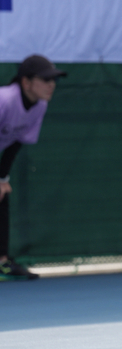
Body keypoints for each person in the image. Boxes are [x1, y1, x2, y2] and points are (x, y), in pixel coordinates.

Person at [0, 55, 66, 282]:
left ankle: (2, 263)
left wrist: (2, 178)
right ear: (26, 83)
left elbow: (15, 142)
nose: (51, 85)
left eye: (53, 80)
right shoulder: (4, 100)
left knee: (2, 194)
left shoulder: (39, 107)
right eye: (45, 79)